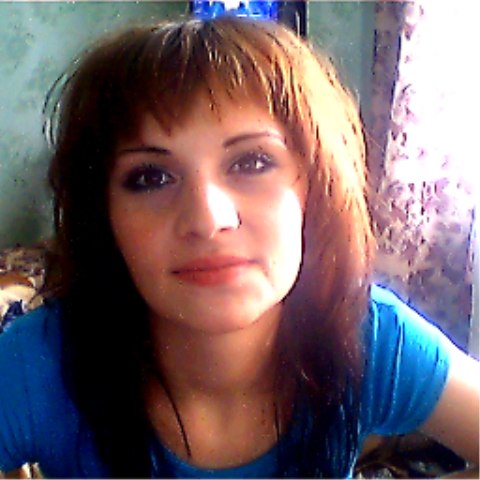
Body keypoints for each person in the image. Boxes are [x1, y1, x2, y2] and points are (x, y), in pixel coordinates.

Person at [0, 16, 478, 478]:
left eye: (251, 162)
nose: (208, 220)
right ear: (103, 216)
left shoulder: (367, 336)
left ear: (315, 188)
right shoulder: (39, 362)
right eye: (151, 177)